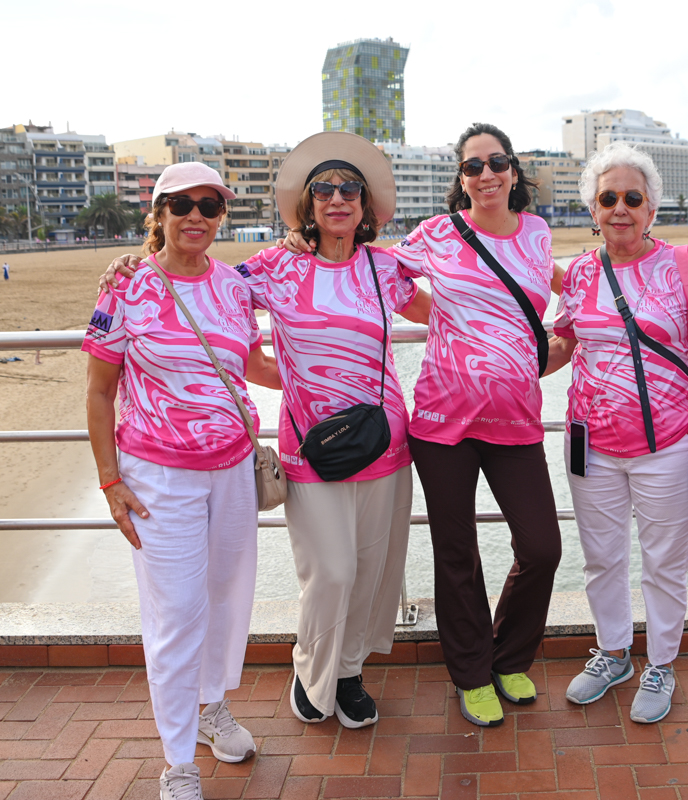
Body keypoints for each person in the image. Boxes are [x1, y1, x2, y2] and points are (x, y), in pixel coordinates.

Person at [102, 132, 431, 732]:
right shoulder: (274, 268)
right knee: (331, 570)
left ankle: (349, 671)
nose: (337, 199)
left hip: (386, 441)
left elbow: (444, 313)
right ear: (309, 204)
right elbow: (200, 285)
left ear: (365, 205)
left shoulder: (386, 268)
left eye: (349, 189)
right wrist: (132, 265)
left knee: (371, 569)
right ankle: (312, 670)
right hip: (312, 446)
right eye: (324, 190)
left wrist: (517, 331)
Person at [284, 123, 564, 727]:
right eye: (473, 166)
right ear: (460, 178)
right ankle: (471, 674)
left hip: (516, 421)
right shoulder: (437, 233)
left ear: (514, 171)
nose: (486, 174)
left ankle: (509, 656)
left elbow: (565, 287)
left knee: (543, 547)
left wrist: (582, 317)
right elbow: (377, 272)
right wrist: (445, 316)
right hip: (441, 423)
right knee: (456, 553)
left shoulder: (538, 233)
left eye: (497, 162)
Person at [84, 163, 281, 800]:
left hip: (232, 469)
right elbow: (99, 390)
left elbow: (251, 362)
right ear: (159, 213)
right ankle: (178, 763)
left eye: (210, 205)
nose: (196, 216)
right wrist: (110, 482)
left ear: (221, 216)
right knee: (175, 613)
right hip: (158, 478)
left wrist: (334, 376)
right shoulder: (127, 287)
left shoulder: (233, 287)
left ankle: (209, 707)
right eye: (182, 204)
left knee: (227, 596)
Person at [544, 142, 688, 724]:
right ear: (593, 209)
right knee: (601, 558)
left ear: (651, 208)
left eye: (632, 198)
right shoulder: (581, 273)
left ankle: (661, 663)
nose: (619, 208)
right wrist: (508, 366)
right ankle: (613, 653)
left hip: (669, 443)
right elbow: (564, 342)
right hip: (591, 443)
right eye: (607, 198)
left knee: (664, 563)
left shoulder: (684, 267)